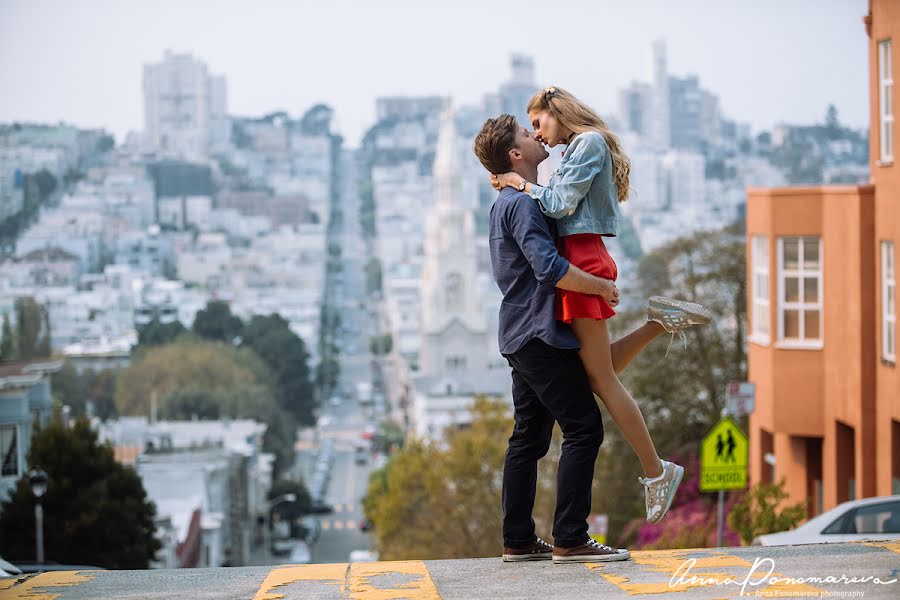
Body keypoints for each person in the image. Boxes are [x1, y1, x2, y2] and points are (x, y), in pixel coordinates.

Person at [489, 87, 712, 524]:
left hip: (582, 259)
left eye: (539, 122)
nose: (539, 134)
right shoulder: (578, 148)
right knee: (596, 373)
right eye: (530, 129)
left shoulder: (588, 142)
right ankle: (656, 324)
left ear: (558, 112)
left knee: (603, 381)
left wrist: (518, 182)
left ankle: (657, 470)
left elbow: (557, 204)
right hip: (580, 258)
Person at [474, 114, 630, 563]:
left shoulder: (507, 200)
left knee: (528, 438)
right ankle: (570, 537)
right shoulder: (520, 205)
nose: (535, 134)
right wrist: (600, 286)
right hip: (539, 335)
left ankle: (518, 539)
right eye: (527, 134)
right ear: (515, 155)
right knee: (583, 428)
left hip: (519, 333)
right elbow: (548, 268)